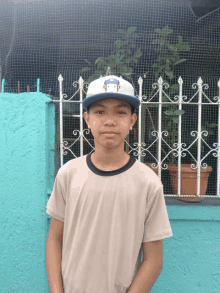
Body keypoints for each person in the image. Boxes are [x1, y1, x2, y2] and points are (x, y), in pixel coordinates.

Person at [45, 75, 173, 293]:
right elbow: (55, 240)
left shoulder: (148, 183)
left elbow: (153, 260)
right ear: (86, 118)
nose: (110, 121)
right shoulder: (68, 174)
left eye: (121, 112)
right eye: (100, 112)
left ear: (132, 121)